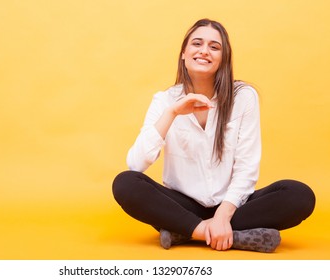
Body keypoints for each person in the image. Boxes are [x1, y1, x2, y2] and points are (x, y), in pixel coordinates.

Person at [112, 18, 315, 253]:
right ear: (184, 54)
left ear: (223, 58)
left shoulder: (244, 97)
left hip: (233, 205)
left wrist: (222, 215)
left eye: (214, 47)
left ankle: (184, 232)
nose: (204, 51)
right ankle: (226, 235)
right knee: (125, 183)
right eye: (197, 44)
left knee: (299, 196)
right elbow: (135, 164)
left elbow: (247, 167)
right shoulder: (165, 101)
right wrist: (173, 112)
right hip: (183, 205)